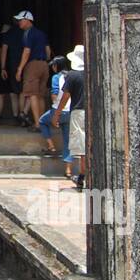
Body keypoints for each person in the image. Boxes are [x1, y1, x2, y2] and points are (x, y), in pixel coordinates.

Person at [52, 45, 86, 190]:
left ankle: (82, 177)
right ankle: (85, 176)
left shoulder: (72, 75)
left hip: (78, 112)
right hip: (93, 112)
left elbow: (65, 97)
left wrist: (56, 114)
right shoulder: (92, 72)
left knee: (82, 149)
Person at [12, 10, 51, 130]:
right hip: (44, 64)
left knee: (32, 94)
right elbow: (48, 50)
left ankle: (38, 124)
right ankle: (43, 122)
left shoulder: (28, 33)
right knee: (41, 95)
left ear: (28, 20)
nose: (19, 22)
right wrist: (46, 62)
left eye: (21, 20)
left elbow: (27, 51)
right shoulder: (41, 33)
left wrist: (20, 68)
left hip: (33, 65)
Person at [0, 21, 26, 124]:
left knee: (0, 94)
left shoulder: (2, 38)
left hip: (3, 69)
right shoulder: (18, 38)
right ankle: (16, 116)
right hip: (13, 68)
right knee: (13, 94)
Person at [38, 57, 69, 157]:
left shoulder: (56, 77)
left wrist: (55, 111)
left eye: (53, 66)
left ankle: (51, 147)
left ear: (57, 66)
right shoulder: (71, 76)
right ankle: (68, 169)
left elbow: (54, 95)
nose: (53, 68)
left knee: (42, 121)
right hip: (70, 111)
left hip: (59, 110)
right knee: (66, 139)